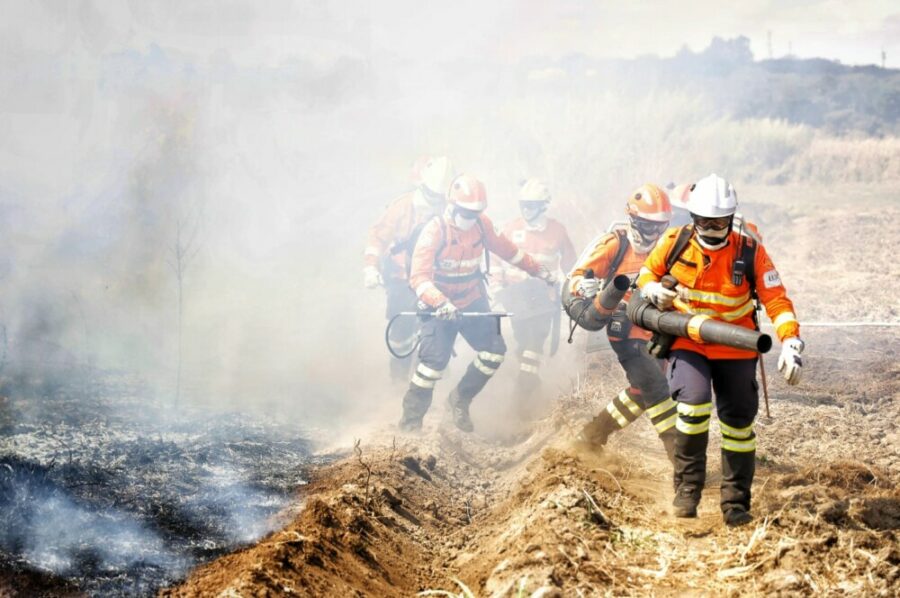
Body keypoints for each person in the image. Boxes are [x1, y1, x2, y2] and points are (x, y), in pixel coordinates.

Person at [636, 173, 803, 527]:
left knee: (738, 425)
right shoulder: (675, 241)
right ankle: (687, 490)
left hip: (737, 346)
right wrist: (652, 290)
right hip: (688, 341)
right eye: (704, 222)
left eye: (719, 222)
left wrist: (791, 341)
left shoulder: (750, 250)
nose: (711, 229)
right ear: (693, 218)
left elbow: (776, 299)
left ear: (731, 217)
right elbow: (647, 273)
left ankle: (736, 503)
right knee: (693, 406)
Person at [401, 174, 556, 432]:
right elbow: (418, 278)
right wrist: (440, 302)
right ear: (452, 206)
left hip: (472, 299)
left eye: (475, 213)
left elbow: (510, 252)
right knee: (431, 367)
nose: (470, 218)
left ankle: (459, 400)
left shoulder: (482, 225)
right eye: (466, 212)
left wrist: (539, 270)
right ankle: (410, 424)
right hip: (438, 308)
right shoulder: (435, 231)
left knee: (494, 351)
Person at [568, 184, 679, 463]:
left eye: (660, 227)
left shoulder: (668, 247)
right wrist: (584, 286)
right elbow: (576, 276)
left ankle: (590, 438)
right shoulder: (614, 245)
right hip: (625, 328)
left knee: (641, 392)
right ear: (632, 219)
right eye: (648, 226)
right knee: (657, 388)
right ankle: (682, 461)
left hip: (658, 329)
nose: (654, 233)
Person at [364, 156, 455, 383]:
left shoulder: (449, 209)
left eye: (439, 196)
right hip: (401, 279)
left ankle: (429, 381)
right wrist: (371, 268)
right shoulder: (402, 207)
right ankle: (398, 380)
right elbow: (378, 237)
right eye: (432, 194)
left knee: (435, 331)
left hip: (435, 281)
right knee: (401, 333)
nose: (435, 199)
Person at [493, 179, 576, 412]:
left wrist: (574, 288)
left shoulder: (557, 231)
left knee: (534, 341)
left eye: (532, 205)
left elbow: (571, 265)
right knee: (523, 344)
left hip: (543, 296)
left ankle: (521, 395)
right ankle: (530, 382)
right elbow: (497, 260)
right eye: (524, 204)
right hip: (516, 296)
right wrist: (497, 288)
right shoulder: (511, 229)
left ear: (543, 205)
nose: (527, 209)